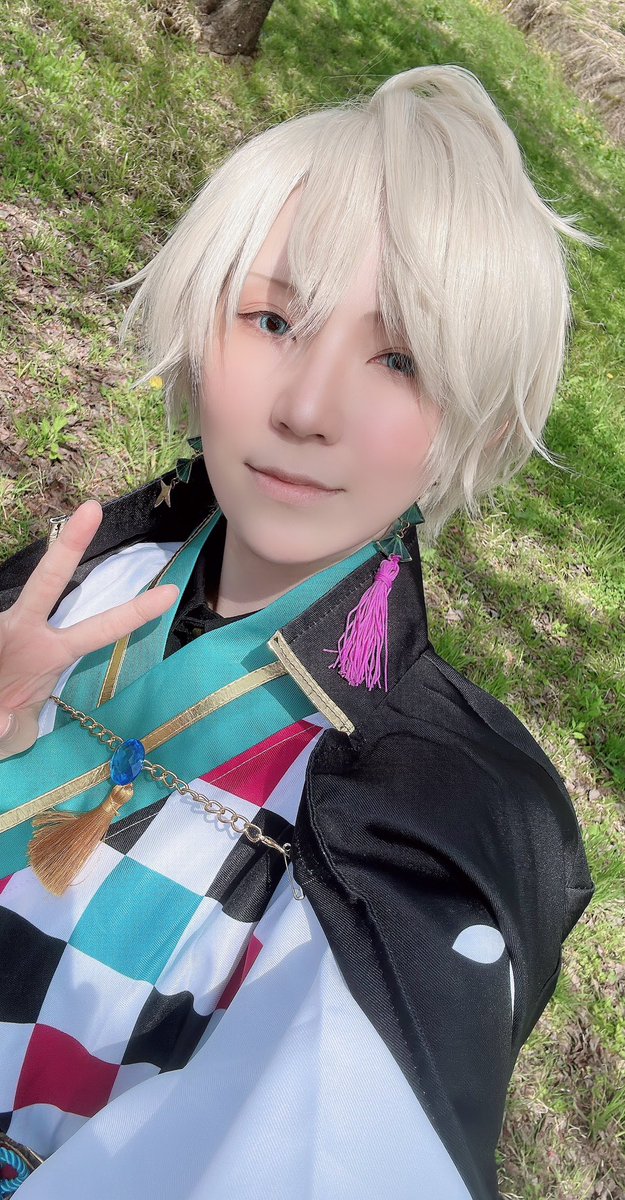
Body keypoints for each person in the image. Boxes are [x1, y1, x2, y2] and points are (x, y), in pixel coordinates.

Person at [0, 64, 594, 1200]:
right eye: (273, 319)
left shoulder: (439, 818)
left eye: (400, 358)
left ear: (478, 420)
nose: (305, 409)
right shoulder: (77, 583)